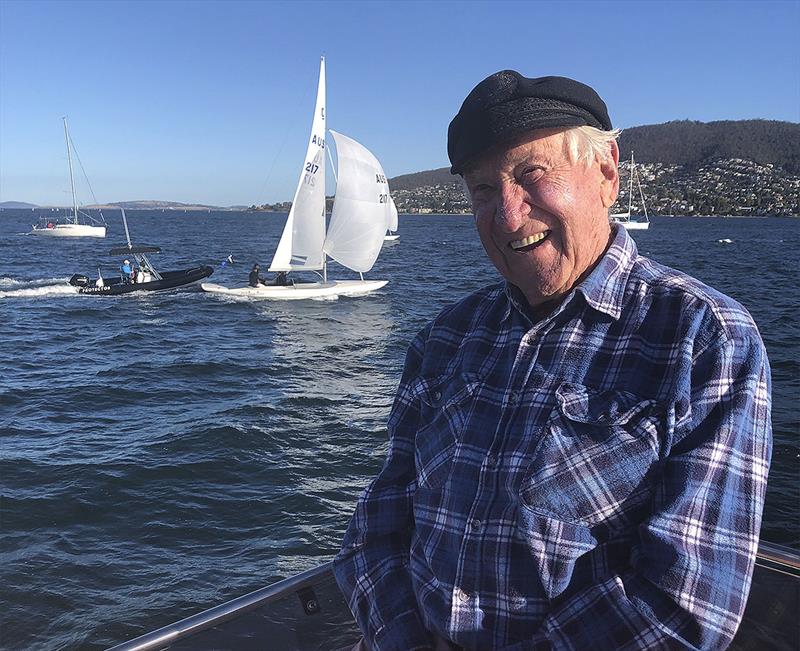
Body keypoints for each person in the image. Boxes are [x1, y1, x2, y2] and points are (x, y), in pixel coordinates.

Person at [333, 71, 772, 650]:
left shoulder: (702, 339)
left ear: (607, 172)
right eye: (483, 190)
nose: (508, 216)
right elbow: (378, 524)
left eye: (531, 175)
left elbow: (685, 605)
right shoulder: (445, 338)